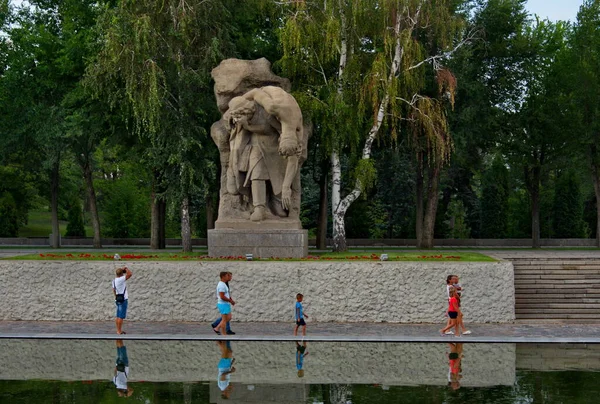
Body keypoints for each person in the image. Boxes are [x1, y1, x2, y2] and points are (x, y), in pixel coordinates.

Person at [225, 86, 304, 222]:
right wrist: (238, 108)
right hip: (257, 140)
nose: (239, 120)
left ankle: (275, 200)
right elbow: (255, 92)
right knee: (257, 171)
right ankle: (259, 207)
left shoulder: (294, 131)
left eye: (239, 117)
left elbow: (293, 159)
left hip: (272, 142)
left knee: (278, 177)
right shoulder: (270, 108)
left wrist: (286, 187)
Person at [112, 266, 132, 335]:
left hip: (117, 299)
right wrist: (126, 269)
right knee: (121, 316)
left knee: (118, 316)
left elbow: (113, 290)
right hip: (123, 299)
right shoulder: (121, 279)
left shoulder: (114, 281)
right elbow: (130, 274)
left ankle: (118, 330)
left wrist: (116, 297)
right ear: (121, 274)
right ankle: (119, 331)